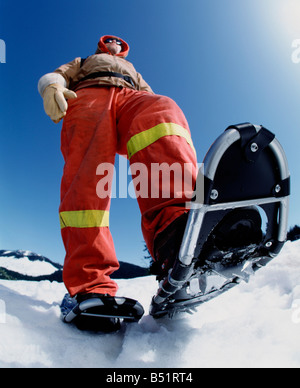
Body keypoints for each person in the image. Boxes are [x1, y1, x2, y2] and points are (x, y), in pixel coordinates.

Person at [38, 35, 198, 304]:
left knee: (161, 109)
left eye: (118, 40)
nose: (113, 42)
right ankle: (91, 285)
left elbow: (149, 94)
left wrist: (146, 102)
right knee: (88, 181)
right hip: (88, 97)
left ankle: (177, 235)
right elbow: (59, 74)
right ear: (102, 45)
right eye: (108, 39)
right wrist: (52, 85)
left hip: (129, 97)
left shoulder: (133, 70)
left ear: (122, 49)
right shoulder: (85, 61)